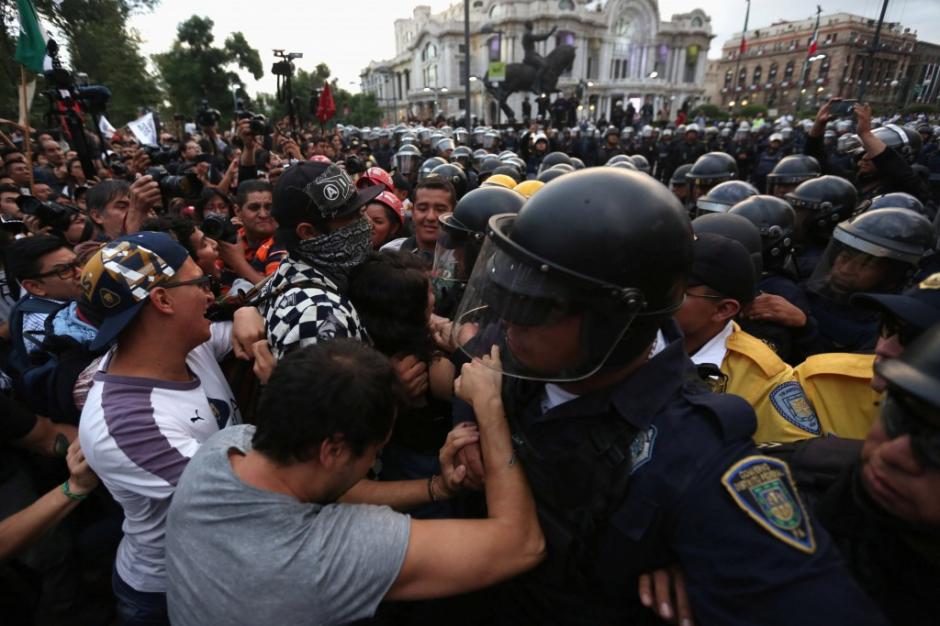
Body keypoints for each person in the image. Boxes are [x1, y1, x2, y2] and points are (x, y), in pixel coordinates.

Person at [447, 168, 886, 624]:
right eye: (510, 296)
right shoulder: (525, 342)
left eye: (536, 305)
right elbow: (475, 375)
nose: (510, 319)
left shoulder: (697, 457)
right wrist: (471, 429)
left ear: (615, 319)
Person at [165, 339, 544, 625]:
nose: (370, 462)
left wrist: (438, 488)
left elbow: (329, 489)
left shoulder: (223, 451)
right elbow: (521, 544)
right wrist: (490, 409)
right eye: (374, 451)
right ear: (332, 451)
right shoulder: (325, 558)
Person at [78, 232, 237, 625]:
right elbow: (244, 497)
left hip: (218, 566)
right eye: (200, 282)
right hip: (171, 592)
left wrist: (248, 310)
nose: (209, 294)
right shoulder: (127, 422)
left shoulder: (184, 344)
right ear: (163, 301)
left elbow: (246, 320)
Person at [674, 233, 821, 442]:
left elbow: (795, 451)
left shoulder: (765, 380)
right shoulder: (633, 334)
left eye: (678, 293)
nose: (657, 296)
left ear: (723, 309)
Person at [257, 161, 382, 360]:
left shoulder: (294, 269)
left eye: (363, 210)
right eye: (355, 216)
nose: (368, 224)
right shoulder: (320, 315)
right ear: (308, 232)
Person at [218, 180, 284, 285]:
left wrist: (238, 263)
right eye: (254, 208)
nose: (263, 214)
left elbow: (277, 292)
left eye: (269, 207)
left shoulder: (285, 241)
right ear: (237, 211)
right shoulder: (230, 239)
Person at [382, 177, 455, 264]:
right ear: (413, 212)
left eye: (440, 209)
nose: (430, 217)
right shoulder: (390, 255)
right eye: (422, 209)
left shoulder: (466, 261)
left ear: (453, 213)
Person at [521, 21, 557, 93]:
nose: (533, 26)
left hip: (532, 54)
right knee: (544, 65)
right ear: (529, 26)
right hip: (530, 56)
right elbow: (539, 38)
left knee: (545, 62)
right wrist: (550, 33)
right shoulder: (527, 34)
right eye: (532, 25)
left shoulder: (527, 34)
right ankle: (535, 85)